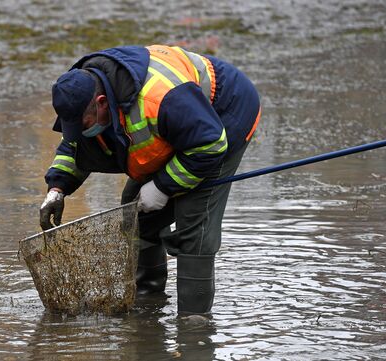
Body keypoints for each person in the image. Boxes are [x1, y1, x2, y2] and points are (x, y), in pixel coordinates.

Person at [39, 44, 261, 314]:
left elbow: (209, 145)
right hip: (178, 126)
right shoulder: (82, 92)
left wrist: (163, 187)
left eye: (83, 124)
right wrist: (57, 188)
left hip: (223, 116)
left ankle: (194, 322)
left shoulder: (160, 98)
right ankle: (148, 301)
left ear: (100, 104)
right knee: (134, 211)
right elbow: (75, 146)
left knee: (195, 222)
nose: (80, 130)